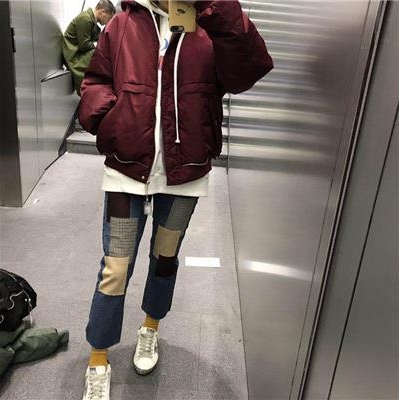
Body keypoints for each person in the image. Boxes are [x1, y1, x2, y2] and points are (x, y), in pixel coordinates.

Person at [78, 0, 273, 399]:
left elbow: (247, 70)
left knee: (165, 258)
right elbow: (96, 79)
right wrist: (110, 120)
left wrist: (212, 8)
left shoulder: (211, 28)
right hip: (127, 170)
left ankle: (150, 327)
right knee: (115, 267)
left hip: (185, 172)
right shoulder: (122, 24)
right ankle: (98, 357)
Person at [62, 0, 116, 96]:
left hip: (78, 52)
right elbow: (84, 45)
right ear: (103, 12)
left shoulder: (92, 21)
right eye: (110, 18)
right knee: (97, 54)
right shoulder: (85, 19)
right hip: (73, 55)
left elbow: (97, 39)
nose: (109, 22)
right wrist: (96, 45)